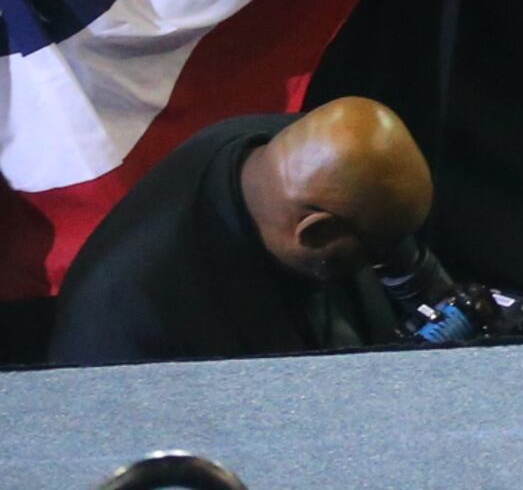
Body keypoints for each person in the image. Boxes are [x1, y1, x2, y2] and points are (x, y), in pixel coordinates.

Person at [42, 97, 436, 367]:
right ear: (314, 234)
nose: (391, 255)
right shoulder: (123, 328)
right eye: (379, 247)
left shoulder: (295, 153)